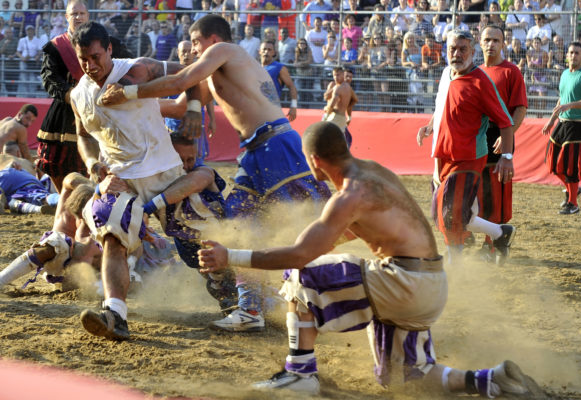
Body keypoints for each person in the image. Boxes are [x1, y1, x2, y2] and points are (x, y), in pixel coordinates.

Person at [196, 121, 542, 398]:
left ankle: (298, 373)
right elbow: (361, 230)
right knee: (408, 379)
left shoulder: (349, 195)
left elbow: (303, 254)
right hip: (430, 286)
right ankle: (488, 381)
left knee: (300, 274)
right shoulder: (374, 172)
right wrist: (315, 242)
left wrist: (231, 256)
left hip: (404, 282)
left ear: (314, 161)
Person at [68, 21, 241, 340]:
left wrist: (191, 109)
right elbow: (84, 137)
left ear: (108, 49)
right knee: (112, 237)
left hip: (166, 174)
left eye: (96, 57)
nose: (91, 66)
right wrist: (94, 165)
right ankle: (115, 314)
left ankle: (235, 301)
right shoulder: (78, 95)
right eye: (83, 60)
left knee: (198, 248)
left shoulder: (139, 69)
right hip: (120, 180)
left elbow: (193, 73)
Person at [101, 15, 331, 219]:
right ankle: (242, 267)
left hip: (275, 143)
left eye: (195, 42)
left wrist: (126, 93)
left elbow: (180, 81)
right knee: (235, 223)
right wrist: (129, 109)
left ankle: (338, 263)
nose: (192, 50)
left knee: (309, 217)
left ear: (213, 39)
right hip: (257, 151)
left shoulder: (224, 50)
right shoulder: (215, 73)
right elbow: (180, 106)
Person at [416, 29, 516, 264]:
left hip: (467, 158)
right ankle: (501, 233)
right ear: (446, 50)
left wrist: (507, 156)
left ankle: (454, 267)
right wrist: (430, 126)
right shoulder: (445, 74)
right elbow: (442, 106)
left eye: (463, 49)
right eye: (453, 48)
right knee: (445, 212)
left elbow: (505, 120)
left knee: (451, 213)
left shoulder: (481, 82)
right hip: (441, 155)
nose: (457, 53)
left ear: (472, 51)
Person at [36, 0, 131, 194]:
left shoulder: (108, 42)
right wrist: (73, 96)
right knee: (57, 161)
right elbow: (49, 77)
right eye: (74, 14)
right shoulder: (55, 47)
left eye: (81, 13)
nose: (78, 17)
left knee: (104, 159)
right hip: (66, 111)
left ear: (88, 16)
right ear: (66, 17)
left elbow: (127, 68)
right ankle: (64, 198)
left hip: (104, 106)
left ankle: (97, 198)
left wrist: (119, 89)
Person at [478, 25, 528, 262]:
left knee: (494, 195)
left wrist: (506, 136)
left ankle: (493, 244)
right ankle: (492, 240)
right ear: (480, 43)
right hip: (476, 139)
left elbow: (520, 108)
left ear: (503, 44)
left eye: (496, 40)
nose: (491, 44)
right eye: (487, 40)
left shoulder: (511, 72)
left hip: (500, 138)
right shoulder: (474, 72)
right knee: (477, 193)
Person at [0, 172, 101, 289]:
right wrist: (93, 189)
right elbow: (71, 179)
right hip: (59, 264)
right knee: (58, 243)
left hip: (91, 274)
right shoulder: (72, 204)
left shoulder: (103, 210)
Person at [542, 42, 581, 215]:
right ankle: (573, 189)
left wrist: (570, 105)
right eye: (570, 52)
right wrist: (551, 120)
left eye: (577, 53)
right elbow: (561, 99)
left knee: (570, 165)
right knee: (552, 162)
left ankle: (573, 204)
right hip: (562, 123)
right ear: (567, 56)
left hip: (579, 124)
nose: (573, 55)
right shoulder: (565, 74)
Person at [259, 40, 298, 121]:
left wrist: (293, 106)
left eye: (269, 50)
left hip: (272, 111)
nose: (266, 52)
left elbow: (291, 86)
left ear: (274, 53)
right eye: (264, 49)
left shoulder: (279, 67)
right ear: (260, 51)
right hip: (255, 110)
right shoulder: (254, 68)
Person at [322, 66, 357, 147]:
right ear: (343, 76)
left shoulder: (348, 88)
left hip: (339, 117)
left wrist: (349, 116)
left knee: (346, 139)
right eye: (346, 76)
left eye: (350, 77)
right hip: (330, 115)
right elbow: (326, 96)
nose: (348, 78)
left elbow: (350, 104)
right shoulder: (333, 85)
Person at [17, 25, 44, 96]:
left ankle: (32, 94)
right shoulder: (22, 40)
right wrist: (22, 57)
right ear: (26, 31)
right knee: (24, 78)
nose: (30, 31)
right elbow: (18, 51)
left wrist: (37, 56)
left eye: (31, 30)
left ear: (33, 31)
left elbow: (40, 51)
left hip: (33, 62)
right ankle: (27, 94)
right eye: (28, 30)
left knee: (32, 78)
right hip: (24, 61)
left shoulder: (37, 40)